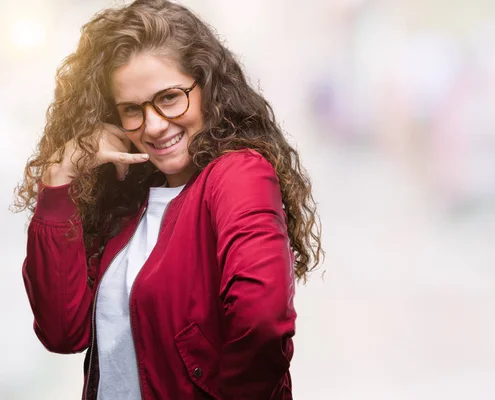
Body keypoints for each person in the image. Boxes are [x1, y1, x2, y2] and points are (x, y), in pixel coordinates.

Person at [13, 0, 323, 399]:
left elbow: (261, 321)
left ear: (206, 86)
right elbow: (61, 331)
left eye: (170, 97)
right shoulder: (124, 197)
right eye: (132, 109)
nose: (154, 125)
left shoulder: (238, 174)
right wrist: (60, 181)